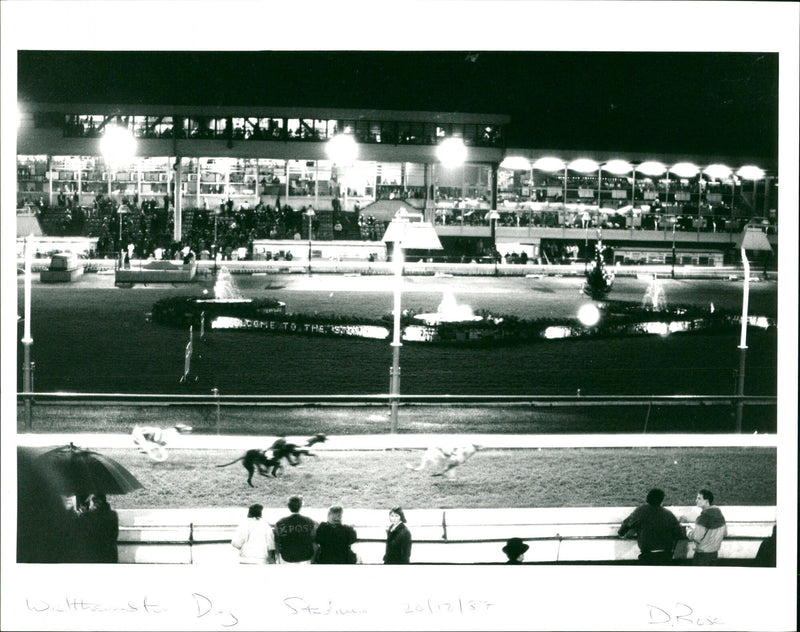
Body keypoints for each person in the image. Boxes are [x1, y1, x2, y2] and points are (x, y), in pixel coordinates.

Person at [617, 488, 684, 565]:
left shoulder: (640, 511)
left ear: (647, 499)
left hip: (647, 555)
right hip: (666, 555)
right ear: (661, 500)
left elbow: (627, 524)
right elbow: (678, 533)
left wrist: (621, 533)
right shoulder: (669, 514)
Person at [687, 489, 727, 565]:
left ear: (706, 501)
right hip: (714, 554)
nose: (696, 500)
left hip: (702, 556)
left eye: (699, 498)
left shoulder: (703, 517)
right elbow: (725, 533)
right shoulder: (720, 515)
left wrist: (689, 531)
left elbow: (696, 537)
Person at [273, 495, 317, 564]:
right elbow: (314, 541)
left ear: (288, 506)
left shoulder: (280, 522)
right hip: (306, 557)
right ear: (301, 506)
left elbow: (277, 541)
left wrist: (278, 560)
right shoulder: (309, 521)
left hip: (287, 557)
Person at [83, 494, 119, 563]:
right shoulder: (113, 514)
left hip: (93, 554)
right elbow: (115, 535)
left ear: (94, 503)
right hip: (110, 553)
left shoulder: (87, 516)